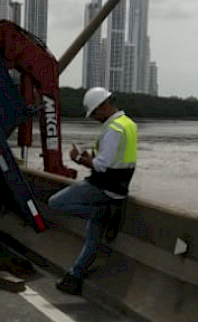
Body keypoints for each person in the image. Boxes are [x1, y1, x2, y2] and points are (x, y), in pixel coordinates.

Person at [48, 87, 138, 296]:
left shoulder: (114, 128)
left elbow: (102, 166)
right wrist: (92, 158)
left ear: (103, 106)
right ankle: (74, 277)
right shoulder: (129, 125)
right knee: (93, 239)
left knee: (56, 202)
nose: (95, 118)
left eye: (95, 113)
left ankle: (105, 213)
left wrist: (79, 158)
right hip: (118, 189)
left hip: (103, 188)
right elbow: (116, 160)